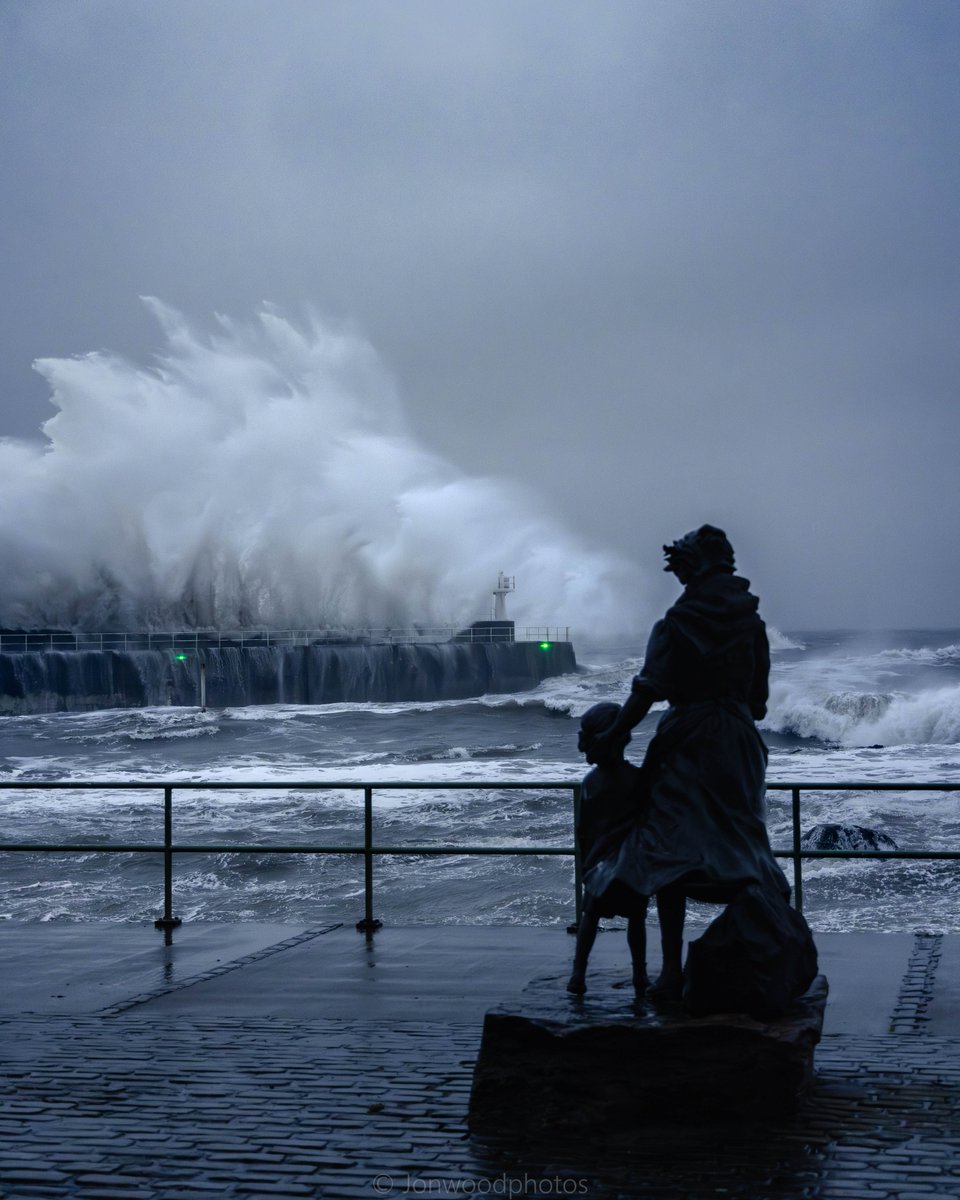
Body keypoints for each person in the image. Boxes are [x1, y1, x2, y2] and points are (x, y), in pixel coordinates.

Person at [586, 524, 789, 1001]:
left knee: (669, 854)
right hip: (738, 747)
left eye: (679, 570)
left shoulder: (676, 625)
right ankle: (761, 956)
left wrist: (614, 735)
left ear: (692, 568)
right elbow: (759, 702)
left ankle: (672, 974)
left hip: (685, 746)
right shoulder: (753, 626)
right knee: (743, 848)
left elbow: (647, 690)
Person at [567, 702, 649, 996]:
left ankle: (579, 973)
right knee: (637, 920)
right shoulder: (638, 779)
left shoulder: (591, 783)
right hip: (631, 868)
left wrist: (586, 867)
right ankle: (640, 974)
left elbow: (583, 830)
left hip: (599, 867)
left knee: (591, 917)